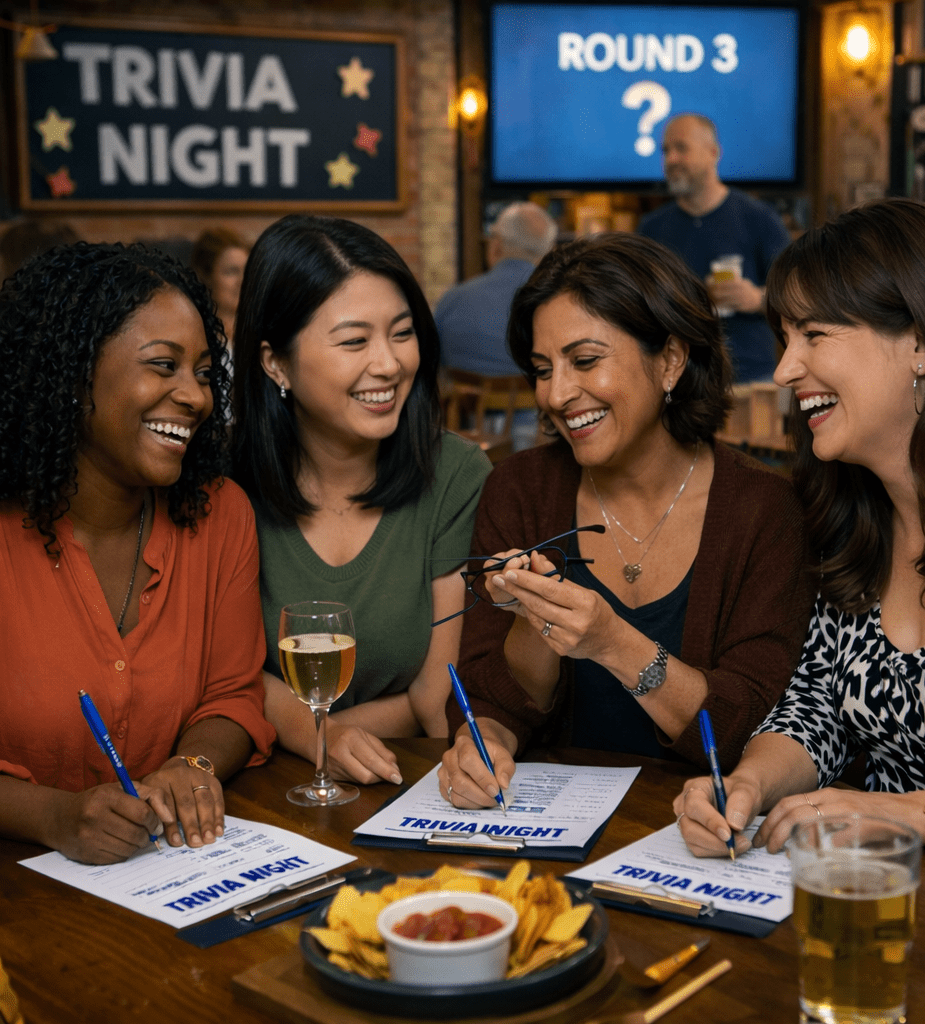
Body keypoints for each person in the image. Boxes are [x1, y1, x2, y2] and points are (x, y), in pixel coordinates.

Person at [675, 198, 925, 933]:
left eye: (814, 335)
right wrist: (746, 784)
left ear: (922, 343)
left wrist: (916, 815)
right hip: (885, 926)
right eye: (782, 336)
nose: (784, 368)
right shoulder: (852, 526)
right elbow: (814, 711)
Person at [437, 232, 814, 809]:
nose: (558, 394)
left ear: (670, 360)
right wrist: (480, 742)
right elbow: (490, 701)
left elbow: (753, 726)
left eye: (585, 361)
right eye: (542, 370)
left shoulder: (764, 511)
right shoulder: (520, 489)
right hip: (553, 833)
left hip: (703, 838)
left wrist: (614, 643)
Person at [0, 242, 275, 865]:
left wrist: (194, 762)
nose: (197, 397)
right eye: (164, 366)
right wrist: (54, 816)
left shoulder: (220, 513)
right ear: (71, 371)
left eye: (204, 373)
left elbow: (233, 695)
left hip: (164, 880)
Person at [231, 215, 491, 787]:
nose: (389, 364)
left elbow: (433, 693)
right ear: (276, 363)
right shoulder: (226, 487)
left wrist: (331, 733)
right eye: (354, 341)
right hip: (264, 789)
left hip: (407, 778)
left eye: (402, 333)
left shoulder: (454, 474)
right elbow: (226, 674)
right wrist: (322, 738)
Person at [637, 114, 790, 384]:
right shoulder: (651, 229)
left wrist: (756, 298)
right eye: (666, 151)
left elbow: (797, 296)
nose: (670, 160)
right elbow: (637, 309)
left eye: (681, 148)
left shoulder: (758, 219)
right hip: (679, 383)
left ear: (713, 153)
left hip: (750, 380)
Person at [435, 202, 558, 453]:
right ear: (548, 253)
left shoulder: (453, 300)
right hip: (542, 437)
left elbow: (433, 370)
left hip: (465, 439)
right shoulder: (557, 303)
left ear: (496, 245)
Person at [189, 227, 249, 346]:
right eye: (232, 271)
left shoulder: (264, 332)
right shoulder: (192, 334)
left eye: (247, 272)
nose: (242, 281)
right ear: (206, 276)